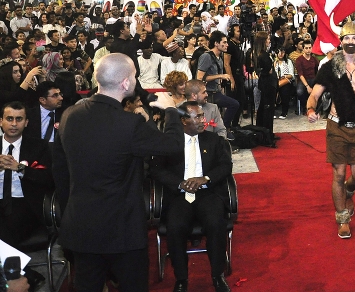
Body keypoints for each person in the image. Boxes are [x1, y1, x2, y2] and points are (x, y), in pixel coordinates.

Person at [52, 53, 183, 292]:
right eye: (134, 75)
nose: (136, 80)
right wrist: (171, 111)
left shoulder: (70, 115)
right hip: (122, 229)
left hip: (80, 224)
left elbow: (60, 171)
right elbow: (172, 146)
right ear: (125, 83)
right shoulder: (128, 124)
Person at [306, 22, 355, 239]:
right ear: (341, 41)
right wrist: (310, 108)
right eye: (346, 38)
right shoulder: (330, 66)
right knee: (338, 173)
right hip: (336, 125)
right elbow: (315, 94)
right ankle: (343, 218)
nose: (350, 42)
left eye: (354, 38)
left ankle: (349, 190)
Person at [149, 102, 233, 292]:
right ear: (183, 121)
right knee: (175, 226)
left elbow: (226, 166)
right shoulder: (169, 143)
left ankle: (217, 275)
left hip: (207, 192)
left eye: (203, 116)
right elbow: (155, 170)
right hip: (179, 195)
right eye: (198, 117)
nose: (203, 120)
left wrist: (205, 178)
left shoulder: (214, 140)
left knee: (215, 223)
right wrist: (179, 183)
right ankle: (181, 279)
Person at [0, 101, 54, 248]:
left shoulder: (39, 146)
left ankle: (17, 270)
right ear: (1, 121)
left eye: (19, 119)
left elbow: (49, 179)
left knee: (8, 228)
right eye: (9, 119)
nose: (14, 124)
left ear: (26, 123)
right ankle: (21, 271)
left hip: (25, 203)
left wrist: (20, 168)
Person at [196, 31, 238, 130]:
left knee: (234, 104)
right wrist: (220, 76)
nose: (227, 45)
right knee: (234, 104)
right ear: (216, 43)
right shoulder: (206, 56)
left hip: (216, 91)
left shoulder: (219, 58)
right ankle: (224, 127)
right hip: (208, 93)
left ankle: (223, 127)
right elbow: (199, 77)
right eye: (224, 42)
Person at [252, 32, 277, 139]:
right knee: (268, 109)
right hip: (269, 84)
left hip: (264, 83)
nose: (269, 41)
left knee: (263, 107)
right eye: (267, 39)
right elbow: (270, 70)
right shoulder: (264, 55)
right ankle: (268, 133)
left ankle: (263, 131)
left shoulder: (256, 53)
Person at [273, 46, 295, 119]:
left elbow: (292, 75)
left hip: (285, 81)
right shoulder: (274, 61)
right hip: (275, 81)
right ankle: (273, 111)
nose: (280, 54)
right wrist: (274, 63)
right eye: (278, 52)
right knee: (271, 90)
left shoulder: (288, 61)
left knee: (285, 90)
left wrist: (284, 76)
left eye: (282, 52)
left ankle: (284, 112)